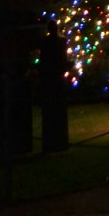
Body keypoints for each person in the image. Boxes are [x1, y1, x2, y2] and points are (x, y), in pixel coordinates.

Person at [38, 19, 71, 152]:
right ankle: (56, 141)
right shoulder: (56, 42)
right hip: (53, 78)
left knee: (54, 109)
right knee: (54, 110)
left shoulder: (51, 42)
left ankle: (56, 141)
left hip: (53, 78)